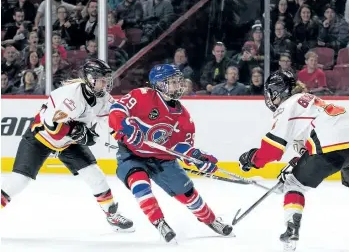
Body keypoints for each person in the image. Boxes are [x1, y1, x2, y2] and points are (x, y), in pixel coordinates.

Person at [1, 58, 134, 233]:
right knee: (18, 182)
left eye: (106, 79)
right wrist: (76, 131)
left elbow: (110, 121)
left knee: (96, 176)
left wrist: (125, 135)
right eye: (102, 79)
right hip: (40, 137)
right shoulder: (69, 96)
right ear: (89, 78)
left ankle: (112, 215)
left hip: (68, 143)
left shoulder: (103, 98)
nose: (106, 83)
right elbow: (52, 127)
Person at [108, 64, 233, 243]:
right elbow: (117, 110)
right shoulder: (142, 96)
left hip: (163, 160)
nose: (178, 86)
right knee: (139, 183)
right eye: (172, 82)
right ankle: (158, 221)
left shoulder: (184, 118)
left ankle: (210, 219)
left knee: (188, 193)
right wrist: (125, 126)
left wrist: (197, 157)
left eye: (178, 82)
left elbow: (181, 148)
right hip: (131, 154)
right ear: (158, 84)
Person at [238, 70, 349, 251]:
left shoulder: (288, 105)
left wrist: (251, 159)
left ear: (276, 92)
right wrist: (296, 162)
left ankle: (291, 231)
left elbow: (273, 151)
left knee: (294, 185)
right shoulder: (308, 100)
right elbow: (311, 137)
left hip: (329, 144)